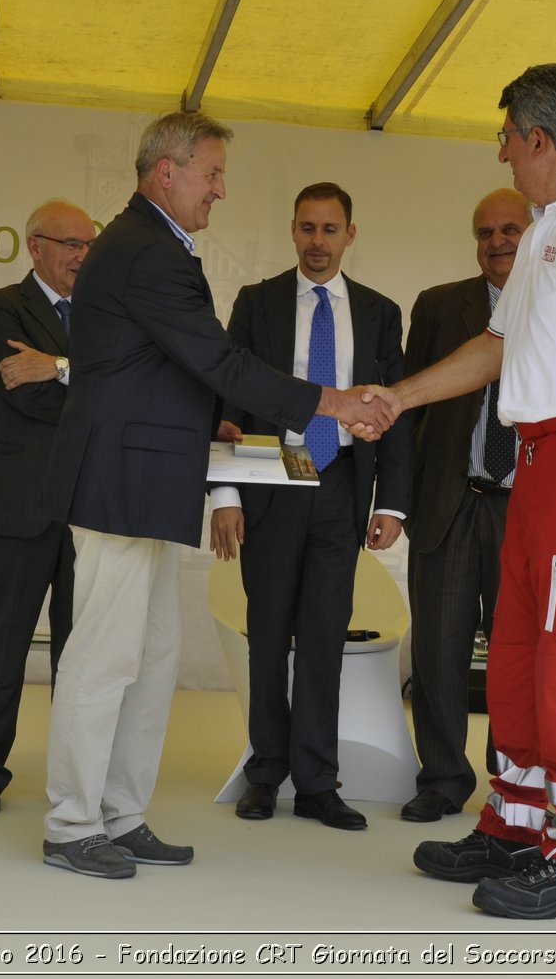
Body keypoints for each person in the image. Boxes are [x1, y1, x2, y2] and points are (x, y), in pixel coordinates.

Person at [39, 111, 391, 879]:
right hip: (119, 485)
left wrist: (218, 417)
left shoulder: (153, 245)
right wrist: (332, 402)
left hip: (152, 484)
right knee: (103, 658)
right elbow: (219, 360)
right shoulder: (146, 250)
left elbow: (175, 372)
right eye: (212, 173)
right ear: (167, 171)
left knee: (154, 656)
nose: (221, 190)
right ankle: (71, 823)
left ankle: (120, 814)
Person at [368, 63, 556, 920]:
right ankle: (514, 826)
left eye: (505, 138)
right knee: (519, 654)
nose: (500, 152)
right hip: (539, 457)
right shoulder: (545, 231)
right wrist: (401, 398)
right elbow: (493, 350)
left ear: (539, 139)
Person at [209, 182, 408, 832]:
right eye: (306, 228)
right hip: (273, 472)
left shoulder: (379, 312)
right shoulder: (258, 302)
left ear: (351, 233)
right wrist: (227, 493)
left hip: (343, 480)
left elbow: (396, 414)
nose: (316, 242)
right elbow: (230, 401)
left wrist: (394, 503)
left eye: (329, 229)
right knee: (268, 632)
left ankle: (318, 782)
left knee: (324, 636)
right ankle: (266, 772)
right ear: (292, 230)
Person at [0, 200, 94, 816]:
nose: (80, 257)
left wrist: (61, 365)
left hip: (88, 505)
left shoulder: (104, 315)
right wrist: (94, 396)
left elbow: (127, 385)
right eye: (69, 244)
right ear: (35, 246)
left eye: (89, 245)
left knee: (82, 650)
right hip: (14, 502)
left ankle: (75, 776)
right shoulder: (1, 306)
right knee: (3, 642)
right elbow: (26, 397)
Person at [399, 188, 530, 824]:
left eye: (509, 229)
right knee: (438, 651)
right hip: (450, 505)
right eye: (485, 232)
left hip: (525, 511)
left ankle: (511, 787)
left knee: (515, 660)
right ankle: (443, 777)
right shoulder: (438, 307)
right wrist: (397, 503)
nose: (496, 241)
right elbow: (410, 412)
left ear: (532, 235)